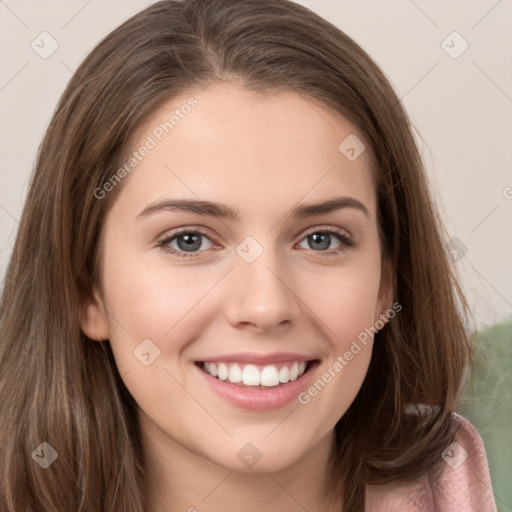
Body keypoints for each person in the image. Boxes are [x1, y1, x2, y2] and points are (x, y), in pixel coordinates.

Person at [0, 0, 498, 510]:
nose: (264, 306)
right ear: (88, 289)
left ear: (385, 284)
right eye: (188, 240)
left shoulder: (457, 480)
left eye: (321, 239)